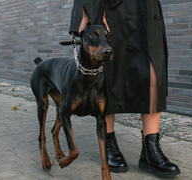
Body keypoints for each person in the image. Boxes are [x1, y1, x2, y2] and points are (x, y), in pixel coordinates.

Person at [69, 0, 180, 177]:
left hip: (144, 8)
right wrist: (81, 13)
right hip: (109, 8)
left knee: (153, 76)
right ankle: (109, 143)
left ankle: (150, 150)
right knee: (107, 77)